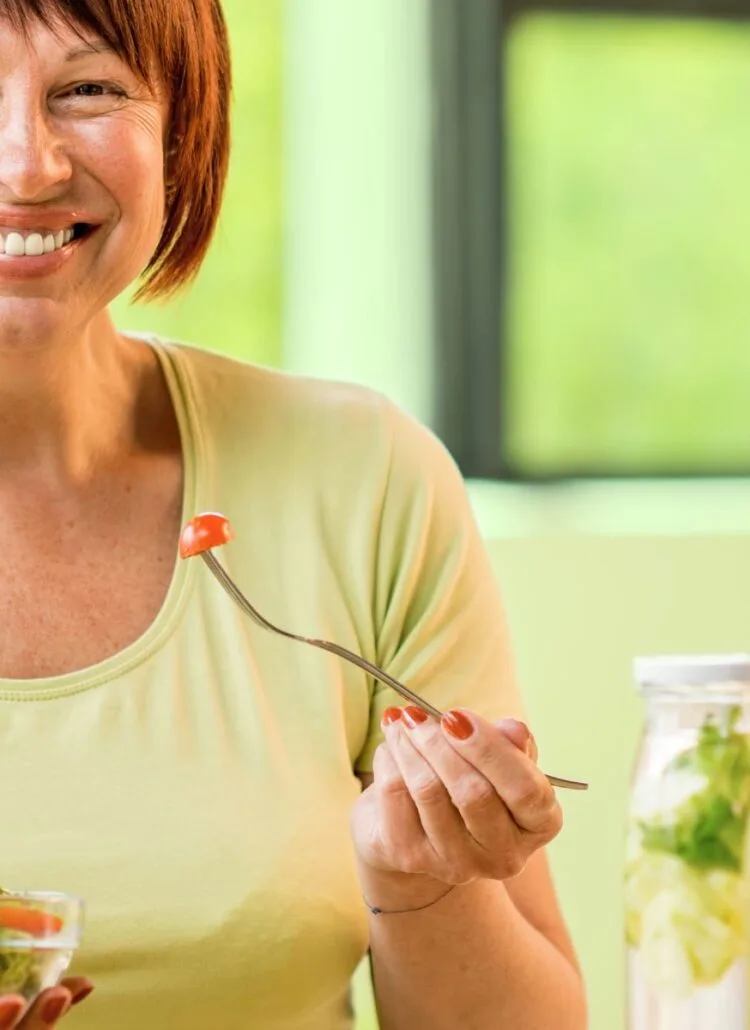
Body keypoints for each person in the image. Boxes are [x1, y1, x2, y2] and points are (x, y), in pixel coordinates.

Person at [0, 1, 587, 1028]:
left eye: (89, 88)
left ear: (182, 130)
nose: (29, 165)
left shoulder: (360, 481)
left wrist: (422, 880)